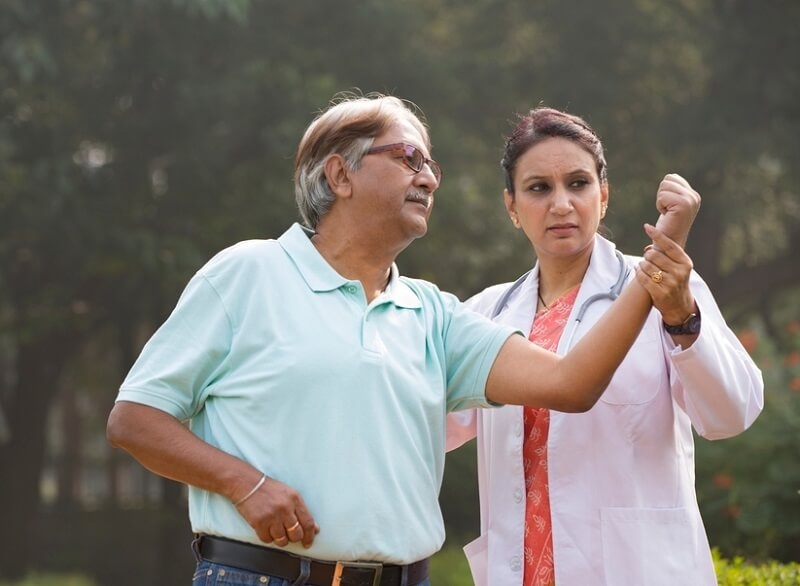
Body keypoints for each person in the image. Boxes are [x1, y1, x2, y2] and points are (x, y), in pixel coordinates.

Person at [106, 93, 698, 586]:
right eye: (411, 157)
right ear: (340, 174)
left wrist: (655, 267)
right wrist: (245, 482)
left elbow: (571, 384)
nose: (431, 178)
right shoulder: (248, 274)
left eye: (432, 165)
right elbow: (135, 418)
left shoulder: (433, 314)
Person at [446, 106, 764, 586]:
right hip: (523, 570)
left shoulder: (663, 284)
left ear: (604, 196)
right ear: (511, 207)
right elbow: (423, 423)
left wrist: (680, 316)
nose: (561, 204)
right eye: (538, 188)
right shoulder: (488, 314)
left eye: (578, 184)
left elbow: (732, 413)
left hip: (637, 571)